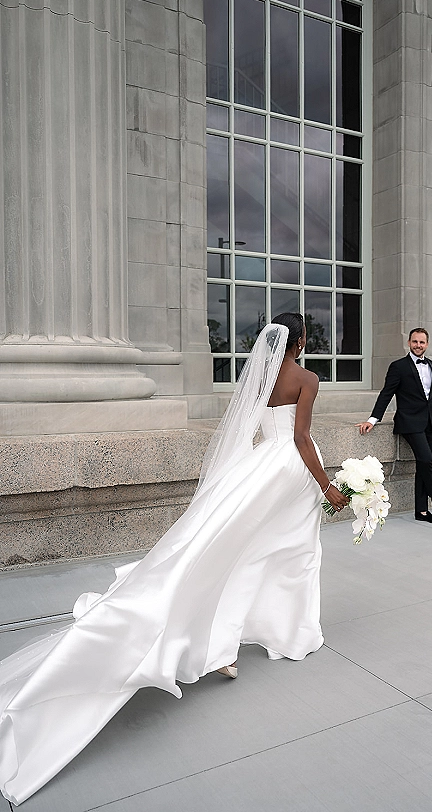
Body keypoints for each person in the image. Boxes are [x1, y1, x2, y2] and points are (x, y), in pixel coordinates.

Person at [0, 313, 348, 805]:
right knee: (288, 553)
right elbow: (300, 439)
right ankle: (283, 632)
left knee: (243, 553)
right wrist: (328, 485)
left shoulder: (262, 379)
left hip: (256, 471)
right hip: (289, 472)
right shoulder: (307, 379)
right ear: (303, 342)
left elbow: (252, 430)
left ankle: (229, 644)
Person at [357, 328, 432, 523]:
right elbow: (386, 393)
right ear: (409, 343)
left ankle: (421, 512)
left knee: (423, 465)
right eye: (415, 342)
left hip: (430, 422)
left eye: (422, 342)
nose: (418, 345)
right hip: (409, 422)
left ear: (427, 344)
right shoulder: (398, 366)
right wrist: (372, 419)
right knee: (426, 459)